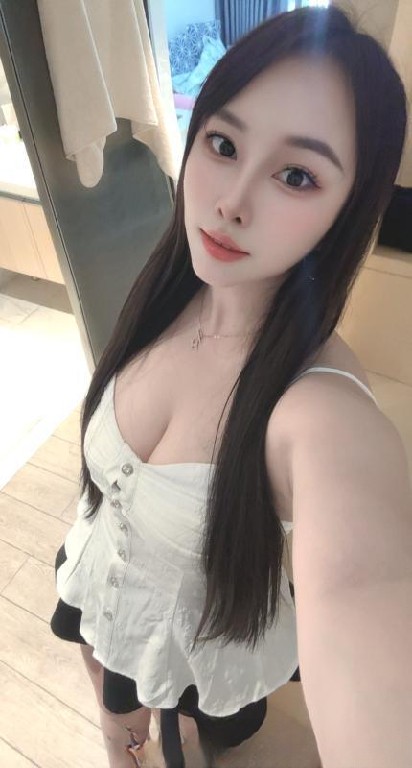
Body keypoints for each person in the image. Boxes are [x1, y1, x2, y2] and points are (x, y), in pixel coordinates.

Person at [51, 5, 411, 768]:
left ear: (349, 210)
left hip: (199, 658)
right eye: (223, 143)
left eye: (297, 175)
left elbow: (367, 588)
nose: (230, 201)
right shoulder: (170, 293)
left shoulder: (317, 408)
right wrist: (113, 714)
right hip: (97, 593)